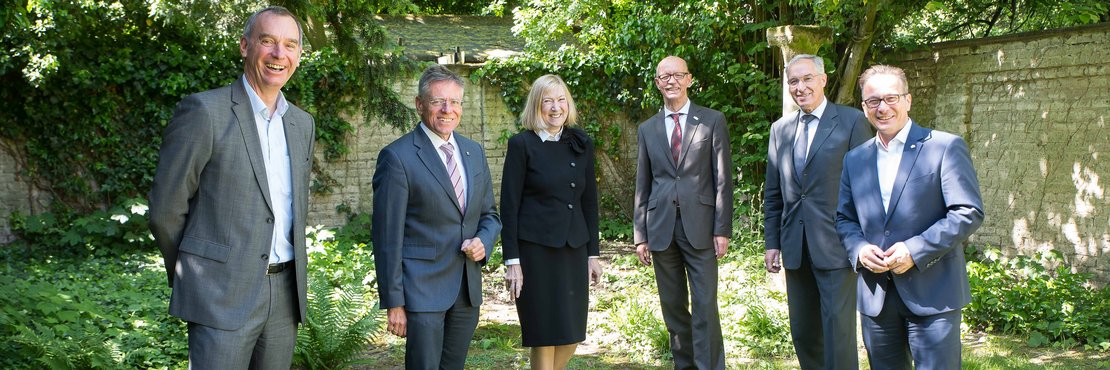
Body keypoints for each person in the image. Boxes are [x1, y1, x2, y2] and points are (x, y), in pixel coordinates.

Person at [148, 6, 313, 368]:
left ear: (299, 55)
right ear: (244, 46)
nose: (278, 54)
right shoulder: (205, 112)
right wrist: (195, 275)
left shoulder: (302, 124)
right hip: (218, 294)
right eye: (267, 41)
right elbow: (164, 211)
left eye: (290, 45)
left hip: (285, 297)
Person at [836, 64, 984, 370]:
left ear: (908, 100)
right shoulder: (855, 158)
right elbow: (844, 219)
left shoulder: (944, 147)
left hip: (933, 292)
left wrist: (915, 250)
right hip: (877, 296)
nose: (883, 108)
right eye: (873, 101)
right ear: (864, 107)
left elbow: (967, 211)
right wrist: (860, 250)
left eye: (891, 98)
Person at [372, 64, 502, 370]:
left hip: (467, 291)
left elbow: (490, 216)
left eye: (455, 102)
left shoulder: (474, 152)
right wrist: (394, 301)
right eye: (438, 101)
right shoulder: (397, 157)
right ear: (420, 104)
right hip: (421, 292)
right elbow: (387, 237)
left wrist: (484, 241)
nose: (448, 110)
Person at [762, 54, 872, 370]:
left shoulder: (852, 122)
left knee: (838, 332)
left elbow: (865, 189)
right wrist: (772, 243)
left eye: (807, 78)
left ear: (823, 79)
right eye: (793, 81)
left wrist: (862, 243)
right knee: (804, 331)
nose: (801, 87)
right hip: (795, 247)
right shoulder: (779, 130)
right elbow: (773, 194)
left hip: (837, 247)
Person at [633, 55, 733, 370]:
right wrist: (640, 236)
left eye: (678, 75)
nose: (671, 81)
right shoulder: (647, 129)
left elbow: (723, 179)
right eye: (665, 76)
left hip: (701, 228)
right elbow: (642, 183)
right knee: (673, 307)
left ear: (689, 79)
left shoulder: (712, 120)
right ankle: (685, 365)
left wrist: (722, 229)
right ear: (657, 83)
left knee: (705, 306)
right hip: (660, 228)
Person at [500, 74, 604, 370]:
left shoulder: (580, 143)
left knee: (571, 335)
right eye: (548, 101)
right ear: (537, 106)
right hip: (535, 252)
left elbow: (589, 202)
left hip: (573, 248)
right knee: (544, 334)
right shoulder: (521, 144)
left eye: (561, 100)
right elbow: (509, 205)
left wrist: (593, 254)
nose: (555, 108)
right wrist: (512, 260)